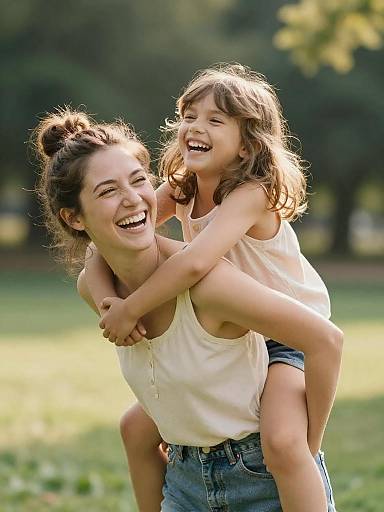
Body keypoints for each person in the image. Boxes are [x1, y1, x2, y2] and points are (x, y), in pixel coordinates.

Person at [35, 109, 342, 512]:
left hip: (262, 467)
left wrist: (308, 443)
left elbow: (326, 339)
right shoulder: (101, 285)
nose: (132, 198)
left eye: (138, 180)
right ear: (73, 217)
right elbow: (98, 254)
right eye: (108, 191)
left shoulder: (219, 257)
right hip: (185, 478)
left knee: (286, 442)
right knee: (134, 427)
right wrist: (112, 301)